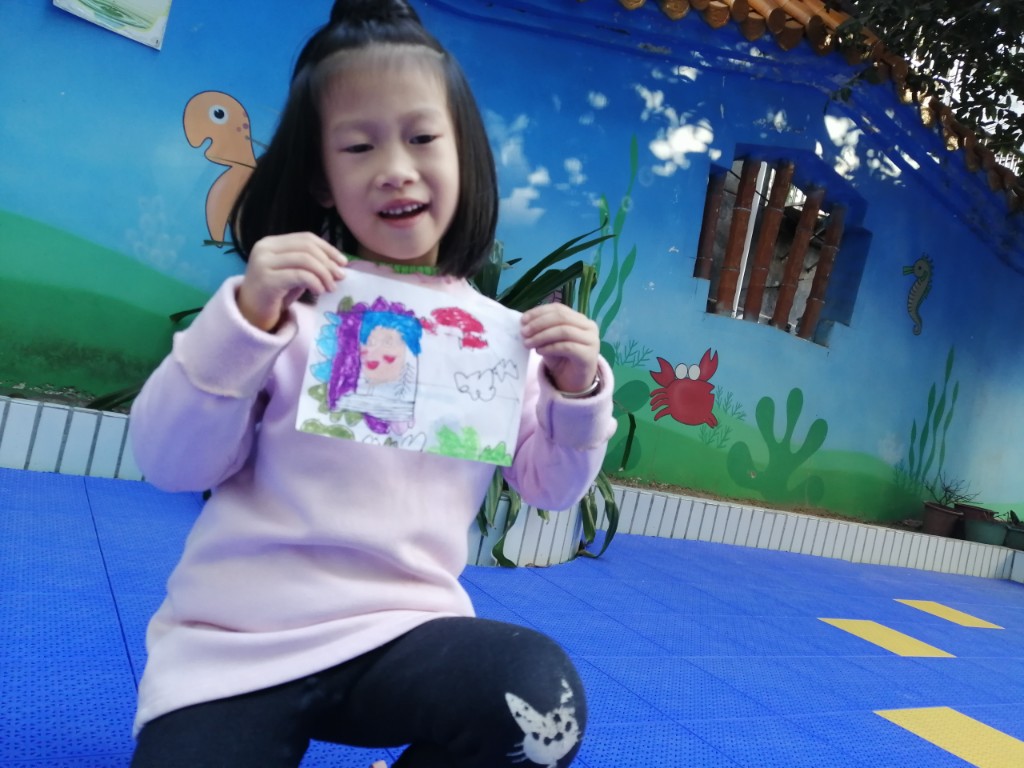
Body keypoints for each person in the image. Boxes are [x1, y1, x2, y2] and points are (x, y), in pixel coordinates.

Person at [128, 1, 615, 766]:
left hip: (402, 639)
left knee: (540, 705)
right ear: (322, 180)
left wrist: (577, 391)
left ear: (464, 156)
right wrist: (244, 321)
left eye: (422, 138)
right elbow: (170, 465)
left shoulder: (499, 341)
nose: (394, 167)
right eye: (358, 146)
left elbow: (550, 489)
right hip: (234, 648)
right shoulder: (283, 311)